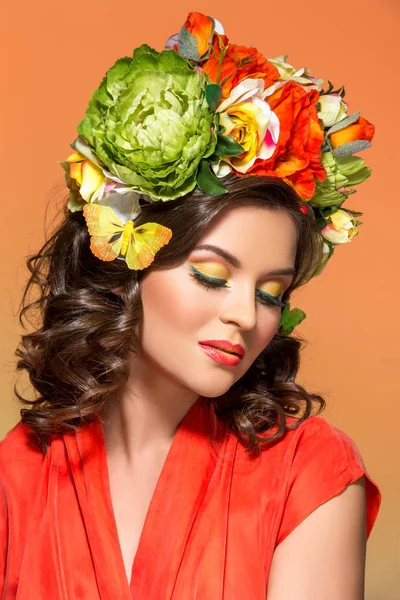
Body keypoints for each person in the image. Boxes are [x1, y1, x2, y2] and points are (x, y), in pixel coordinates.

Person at [0, 11, 381, 599]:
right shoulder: (20, 471)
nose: (247, 316)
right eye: (211, 275)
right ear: (127, 260)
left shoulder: (310, 473)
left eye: (270, 293)